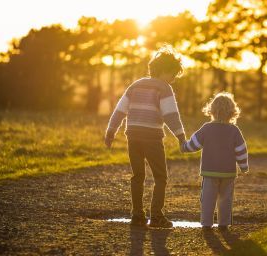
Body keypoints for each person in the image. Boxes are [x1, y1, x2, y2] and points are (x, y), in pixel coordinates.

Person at [104, 45, 186, 228]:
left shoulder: (136, 85)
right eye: (173, 74)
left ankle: (137, 215)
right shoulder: (164, 88)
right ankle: (156, 216)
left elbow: (120, 110)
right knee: (160, 176)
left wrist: (111, 131)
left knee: (138, 175)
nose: (173, 79)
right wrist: (181, 136)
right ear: (164, 71)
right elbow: (170, 115)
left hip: (132, 136)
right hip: (152, 138)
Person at [181, 92, 249, 230]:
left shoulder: (207, 128)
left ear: (211, 111)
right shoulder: (234, 130)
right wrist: (244, 166)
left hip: (209, 172)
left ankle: (206, 224)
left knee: (207, 199)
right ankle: (224, 223)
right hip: (228, 173)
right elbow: (241, 150)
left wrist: (184, 147)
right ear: (232, 112)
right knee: (225, 199)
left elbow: (194, 144)